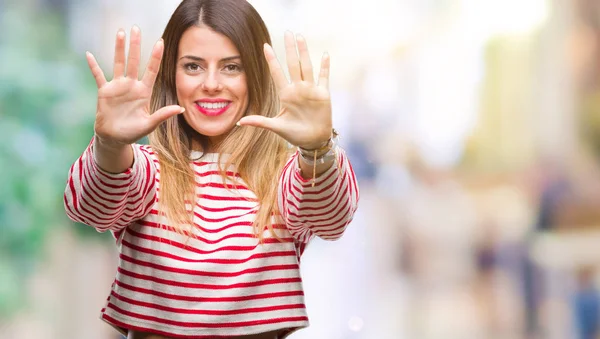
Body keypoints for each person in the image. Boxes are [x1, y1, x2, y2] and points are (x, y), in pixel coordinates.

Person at [63, 0, 359, 338]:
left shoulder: (286, 176)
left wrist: (317, 149)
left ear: (256, 76)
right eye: (193, 66)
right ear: (171, 76)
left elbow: (334, 219)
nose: (212, 83)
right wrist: (111, 145)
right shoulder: (148, 171)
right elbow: (90, 208)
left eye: (232, 67)